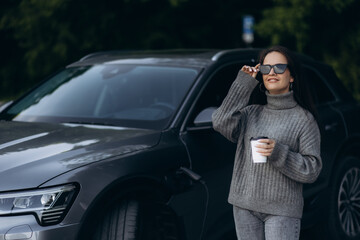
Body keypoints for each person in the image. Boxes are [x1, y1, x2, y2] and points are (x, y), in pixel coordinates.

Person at [212, 45, 322, 240]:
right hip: (244, 205)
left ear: (292, 76)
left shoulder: (304, 119)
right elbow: (220, 121)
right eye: (266, 68)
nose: (272, 72)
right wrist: (243, 84)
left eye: (279, 67)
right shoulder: (251, 113)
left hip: (282, 209)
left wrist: (279, 153)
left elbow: (312, 170)